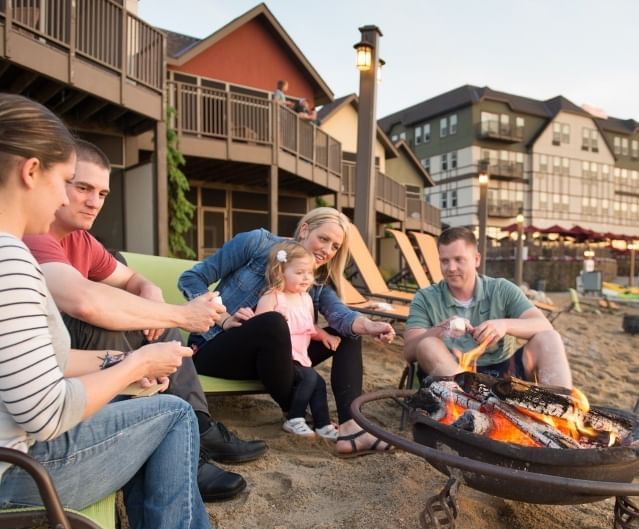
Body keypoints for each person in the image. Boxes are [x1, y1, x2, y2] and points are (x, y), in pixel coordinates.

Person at [0, 93, 249, 529]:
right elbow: (44, 414)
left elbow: (41, 366)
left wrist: (124, 368)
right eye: (65, 182)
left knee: (148, 404)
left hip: (14, 450)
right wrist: (135, 361)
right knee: (172, 416)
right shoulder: (13, 261)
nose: (69, 199)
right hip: (17, 476)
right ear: (31, 172)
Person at [24, 140, 267, 502]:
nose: (94, 201)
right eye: (83, 188)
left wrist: (151, 293)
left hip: (78, 363)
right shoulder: (34, 235)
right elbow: (83, 302)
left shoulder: (82, 241)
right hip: (44, 370)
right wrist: (180, 314)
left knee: (154, 320)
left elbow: (135, 281)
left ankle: (194, 428)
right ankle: (181, 444)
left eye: (103, 192)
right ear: (55, 184)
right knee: (130, 321)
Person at [178, 207, 396, 457]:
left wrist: (370, 326)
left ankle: (351, 426)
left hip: (274, 362)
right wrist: (224, 318)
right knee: (273, 321)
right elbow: (191, 279)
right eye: (323, 238)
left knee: (348, 333)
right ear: (304, 229)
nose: (327, 250)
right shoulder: (256, 243)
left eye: (335, 246)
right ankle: (294, 407)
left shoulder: (314, 278)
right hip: (216, 349)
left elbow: (339, 314)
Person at [404, 226, 572, 387]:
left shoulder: (501, 289)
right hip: (454, 377)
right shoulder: (425, 297)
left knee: (549, 338)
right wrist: (441, 329)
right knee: (427, 345)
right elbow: (410, 351)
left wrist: (504, 325)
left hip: (505, 375)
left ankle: (564, 408)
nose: (451, 268)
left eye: (459, 260)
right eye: (445, 261)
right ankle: (469, 401)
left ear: (476, 259)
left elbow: (543, 325)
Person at [255, 240, 340, 440]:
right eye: (299, 273)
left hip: (301, 356)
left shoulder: (305, 299)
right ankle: (294, 418)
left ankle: (323, 424)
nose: (306, 278)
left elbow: (309, 327)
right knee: (310, 378)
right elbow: (258, 328)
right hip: (280, 358)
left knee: (318, 383)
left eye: (309, 273)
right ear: (280, 272)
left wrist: (324, 335)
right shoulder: (272, 298)